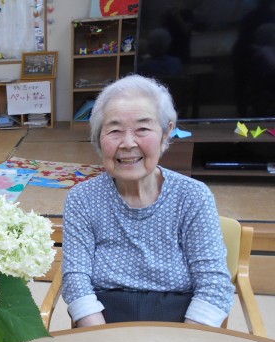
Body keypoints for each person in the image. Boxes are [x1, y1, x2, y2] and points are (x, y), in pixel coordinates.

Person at [62, 74, 234, 328]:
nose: (128, 143)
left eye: (142, 129)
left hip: (182, 324)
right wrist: (101, 339)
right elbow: (75, 279)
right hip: (102, 321)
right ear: (98, 138)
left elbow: (215, 284)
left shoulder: (193, 196)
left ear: (166, 133)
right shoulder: (82, 199)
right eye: (114, 130)